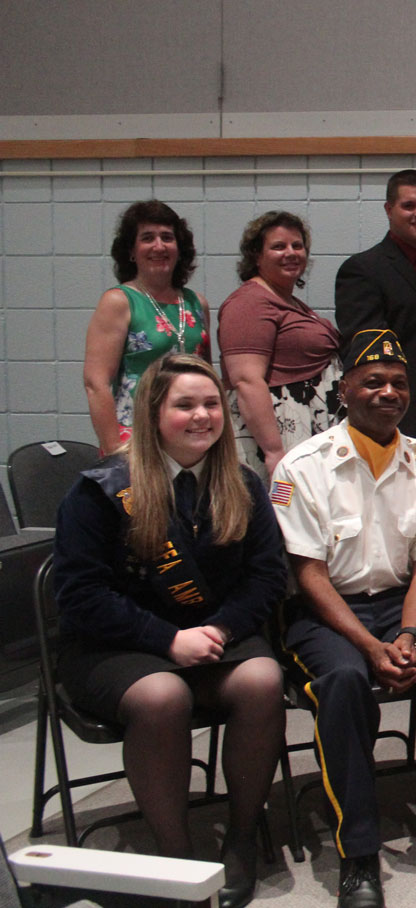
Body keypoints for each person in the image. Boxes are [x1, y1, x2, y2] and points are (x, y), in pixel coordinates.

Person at [274, 331, 416, 908]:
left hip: (407, 605)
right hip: (328, 614)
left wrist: (406, 636)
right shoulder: (302, 466)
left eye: (398, 383)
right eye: (373, 381)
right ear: (344, 388)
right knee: (346, 680)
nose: (387, 393)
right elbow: (308, 575)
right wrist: (369, 646)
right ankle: (358, 855)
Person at [51, 353, 286, 908]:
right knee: (163, 694)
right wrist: (167, 641)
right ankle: (176, 857)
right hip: (119, 646)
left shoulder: (243, 485)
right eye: (185, 405)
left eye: (211, 404)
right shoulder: (102, 490)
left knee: (261, 680)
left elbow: (267, 577)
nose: (203, 415)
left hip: (213, 637)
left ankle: (243, 837)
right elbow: (81, 596)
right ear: (154, 413)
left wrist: (224, 628)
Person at [335, 169, 416, 455]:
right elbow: (365, 352)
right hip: (397, 416)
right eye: (409, 205)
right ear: (389, 209)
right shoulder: (363, 271)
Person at [218, 210, 343, 483]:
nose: (291, 252)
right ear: (257, 256)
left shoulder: (288, 301)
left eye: (297, 246)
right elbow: (246, 380)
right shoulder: (249, 303)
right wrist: (274, 452)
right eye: (278, 246)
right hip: (276, 437)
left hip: (308, 429)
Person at [83, 201, 212, 452]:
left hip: (191, 437)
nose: (159, 246)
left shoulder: (197, 303)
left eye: (167, 237)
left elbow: (207, 376)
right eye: (147, 238)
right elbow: (95, 384)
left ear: (179, 248)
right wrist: (114, 451)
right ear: (132, 251)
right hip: (136, 439)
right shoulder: (118, 302)